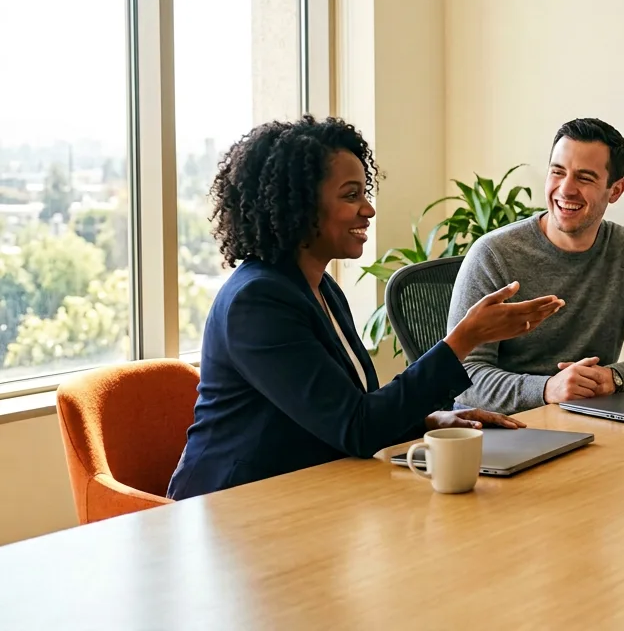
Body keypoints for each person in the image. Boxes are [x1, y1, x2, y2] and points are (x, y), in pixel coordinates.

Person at [168, 116, 564, 500]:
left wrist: (429, 421)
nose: (368, 209)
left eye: (365, 193)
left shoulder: (319, 286)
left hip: (307, 494)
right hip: (232, 509)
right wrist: (465, 338)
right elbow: (357, 428)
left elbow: (348, 411)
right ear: (302, 206)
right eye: (351, 194)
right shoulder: (257, 303)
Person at [446, 118, 624, 414]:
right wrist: (548, 388)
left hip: (586, 422)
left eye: (585, 178)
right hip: (502, 430)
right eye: (557, 172)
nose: (566, 189)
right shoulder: (494, 254)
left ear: (615, 191)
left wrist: (613, 378)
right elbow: (461, 375)